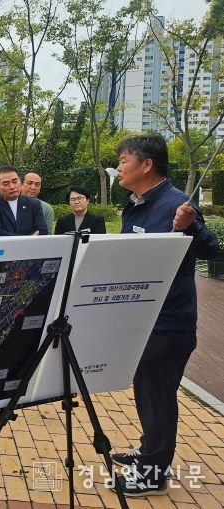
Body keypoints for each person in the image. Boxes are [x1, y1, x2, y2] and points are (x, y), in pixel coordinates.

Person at [110, 134, 219, 497]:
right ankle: (149, 450)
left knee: (158, 395)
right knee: (147, 389)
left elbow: (211, 251)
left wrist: (192, 226)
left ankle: (154, 473)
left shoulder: (177, 205)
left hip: (168, 321)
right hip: (142, 317)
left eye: (123, 160)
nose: (119, 167)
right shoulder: (136, 205)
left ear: (146, 164)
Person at [0, 165, 48, 236]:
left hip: (32, 246)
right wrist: (27, 239)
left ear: (20, 182)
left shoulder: (34, 204)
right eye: (6, 184)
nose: (12, 187)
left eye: (15, 182)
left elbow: (42, 230)